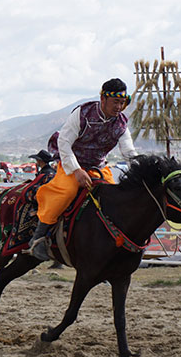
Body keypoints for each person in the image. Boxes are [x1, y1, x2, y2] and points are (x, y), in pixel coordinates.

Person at [28, 78, 137, 260]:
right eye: (115, 102)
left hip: (98, 167)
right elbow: (64, 142)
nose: (119, 107)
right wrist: (77, 170)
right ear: (103, 99)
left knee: (114, 198)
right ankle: (38, 238)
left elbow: (128, 151)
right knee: (65, 192)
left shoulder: (121, 124)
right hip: (71, 164)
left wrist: (140, 169)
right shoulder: (83, 113)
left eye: (122, 102)